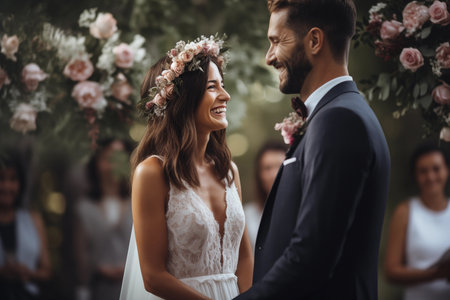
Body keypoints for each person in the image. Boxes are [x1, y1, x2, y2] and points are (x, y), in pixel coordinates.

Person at [236, 0, 390, 299]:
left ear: (315, 40)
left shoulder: (339, 120)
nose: (269, 58)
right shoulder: (340, 113)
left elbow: (311, 258)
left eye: (277, 41)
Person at [119, 36, 253, 300]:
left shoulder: (229, 172)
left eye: (222, 86)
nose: (225, 95)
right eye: (212, 87)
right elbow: (153, 276)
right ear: (184, 98)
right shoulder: (152, 173)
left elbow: (244, 257)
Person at [385, 142, 450, 300]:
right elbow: (391, 271)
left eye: (436, 169)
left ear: (447, 170)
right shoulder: (406, 212)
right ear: (415, 175)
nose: (430, 177)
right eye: (423, 171)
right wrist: (436, 274)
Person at [75, 139, 133, 300]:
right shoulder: (85, 208)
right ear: (97, 163)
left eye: (119, 159)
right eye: (108, 159)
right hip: (98, 290)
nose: (113, 165)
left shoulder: (137, 204)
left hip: (134, 289)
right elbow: (81, 256)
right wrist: (98, 270)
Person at [0, 148, 51, 300]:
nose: (6, 186)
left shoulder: (33, 219)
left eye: (12, 179)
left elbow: (46, 270)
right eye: (1, 179)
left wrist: (27, 273)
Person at [244, 141, 286, 250]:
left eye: (279, 166)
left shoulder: (304, 211)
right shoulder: (247, 216)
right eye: (267, 168)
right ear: (259, 175)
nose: (274, 174)